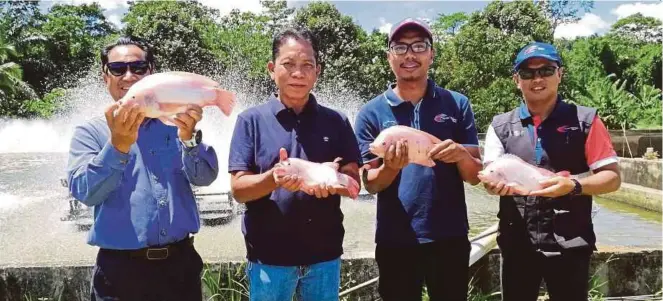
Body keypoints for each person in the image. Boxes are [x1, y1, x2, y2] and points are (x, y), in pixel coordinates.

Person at [66, 36, 219, 301]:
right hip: (120, 273)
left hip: (180, 266)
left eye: (139, 68)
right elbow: (85, 193)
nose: (129, 76)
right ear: (105, 77)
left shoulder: (176, 122)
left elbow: (205, 177)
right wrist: (117, 147)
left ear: (151, 74)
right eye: (117, 69)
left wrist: (190, 138)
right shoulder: (89, 132)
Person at [228, 27, 361, 301]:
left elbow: (353, 180)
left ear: (317, 71)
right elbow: (239, 189)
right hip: (269, 258)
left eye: (307, 65)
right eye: (288, 64)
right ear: (271, 69)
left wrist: (332, 185)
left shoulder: (337, 121)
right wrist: (273, 179)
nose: (298, 74)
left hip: (324, 256)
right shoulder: (250, 121)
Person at [354, 18, 483, 301]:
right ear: (389, 56)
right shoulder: (370, 113)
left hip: (450, 236)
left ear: (431, 53)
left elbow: (475, 176)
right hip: (395, 238)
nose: (410, 54)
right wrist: (390, 167)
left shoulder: (457, 104)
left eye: (419, 46)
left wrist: (461, 154)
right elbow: (370, 184)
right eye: (400, 47)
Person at [481, 42, 622, 301]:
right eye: (527, 73)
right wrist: (492, 186)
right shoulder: (500, 126)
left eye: (546, 70)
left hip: (570, 242)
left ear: (560, 74)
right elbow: (490, 173)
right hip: (517, 244)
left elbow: (612, 178)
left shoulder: (585, 121)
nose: (537, 79)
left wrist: (574, 186)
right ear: (516, 80)